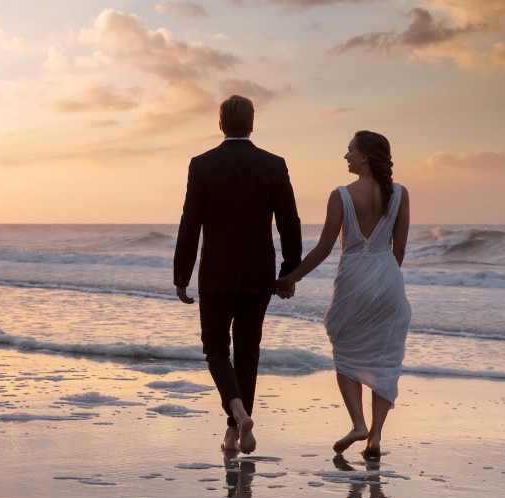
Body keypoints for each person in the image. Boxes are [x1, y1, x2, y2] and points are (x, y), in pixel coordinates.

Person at [173, 95, 302, 454]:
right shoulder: (274, 165)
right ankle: (235, 429)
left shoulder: (202, 164)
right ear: (252, 123)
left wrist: (181, 275)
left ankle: (237, 413)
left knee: (215, 348)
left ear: (220, 123)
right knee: (248, 350)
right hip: (259, 273)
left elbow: (190, 223)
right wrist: (290, 271)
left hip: (216, 272)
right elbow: (289, 222)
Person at [276, 131, 411, 460]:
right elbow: (400, 250)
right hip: (389, 280)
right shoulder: (400, 194)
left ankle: (358, 424)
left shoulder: (341, 195)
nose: (346, 156)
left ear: (364, 156)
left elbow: (323, 248)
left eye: (350, 151)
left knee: (346, 353)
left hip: (352, 279)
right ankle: (376, 436)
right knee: (385, 361)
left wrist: (288, 278)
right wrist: (384, 278)